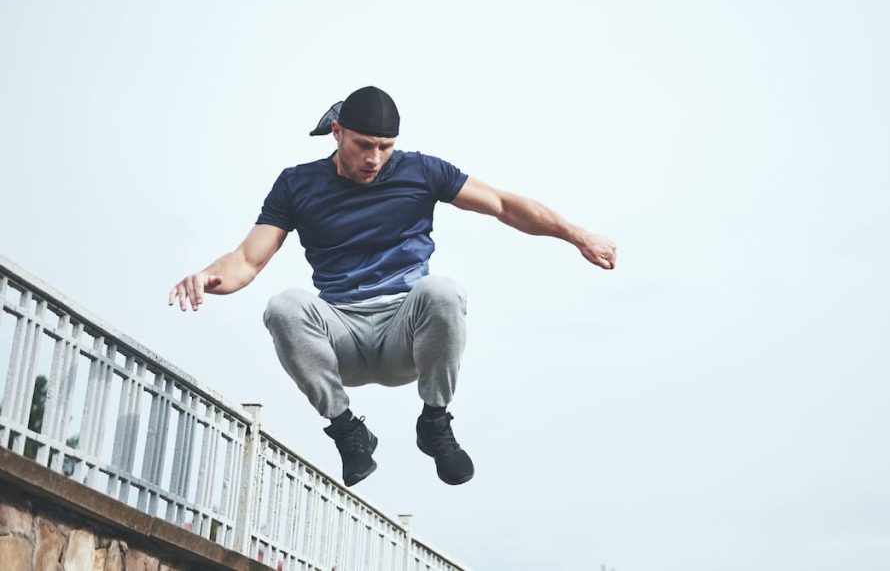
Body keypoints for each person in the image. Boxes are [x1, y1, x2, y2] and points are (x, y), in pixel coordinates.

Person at [168, 86, 617, 487]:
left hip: (405, 335)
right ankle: (347, 429)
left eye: (385, 148)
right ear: (338, 132)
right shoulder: (296, 184)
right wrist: (210, 277)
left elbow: (503, 204)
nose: (374, 160)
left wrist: (578, 236)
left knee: (442, 291)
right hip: (340, 335)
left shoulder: (422, 172)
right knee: (283, 306)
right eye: (364, 146)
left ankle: (435, 422)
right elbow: (248, 259)